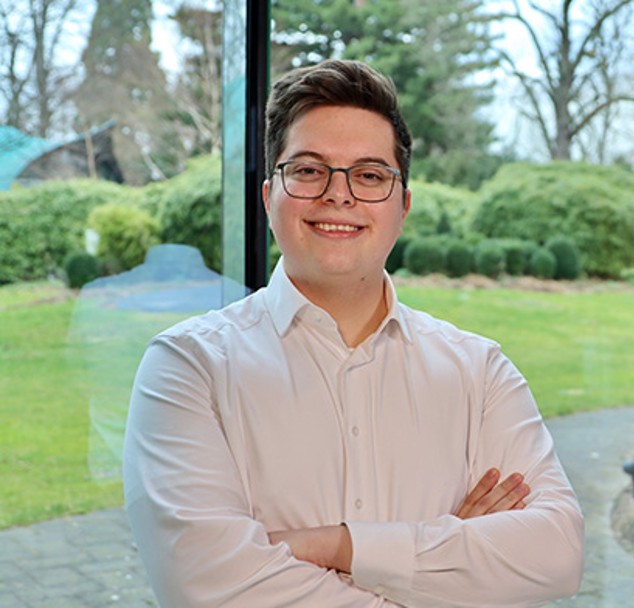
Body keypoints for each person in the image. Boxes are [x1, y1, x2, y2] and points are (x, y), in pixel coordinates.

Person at [123, 59, 584, 607]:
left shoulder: (479, 372)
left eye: (369, 175)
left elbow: (556, 555)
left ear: (403, 206)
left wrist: (336, 547)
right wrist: (447, 565)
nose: (338, 195)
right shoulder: (187, 367)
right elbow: (209, 587)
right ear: (270, 196)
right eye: (310, 170)